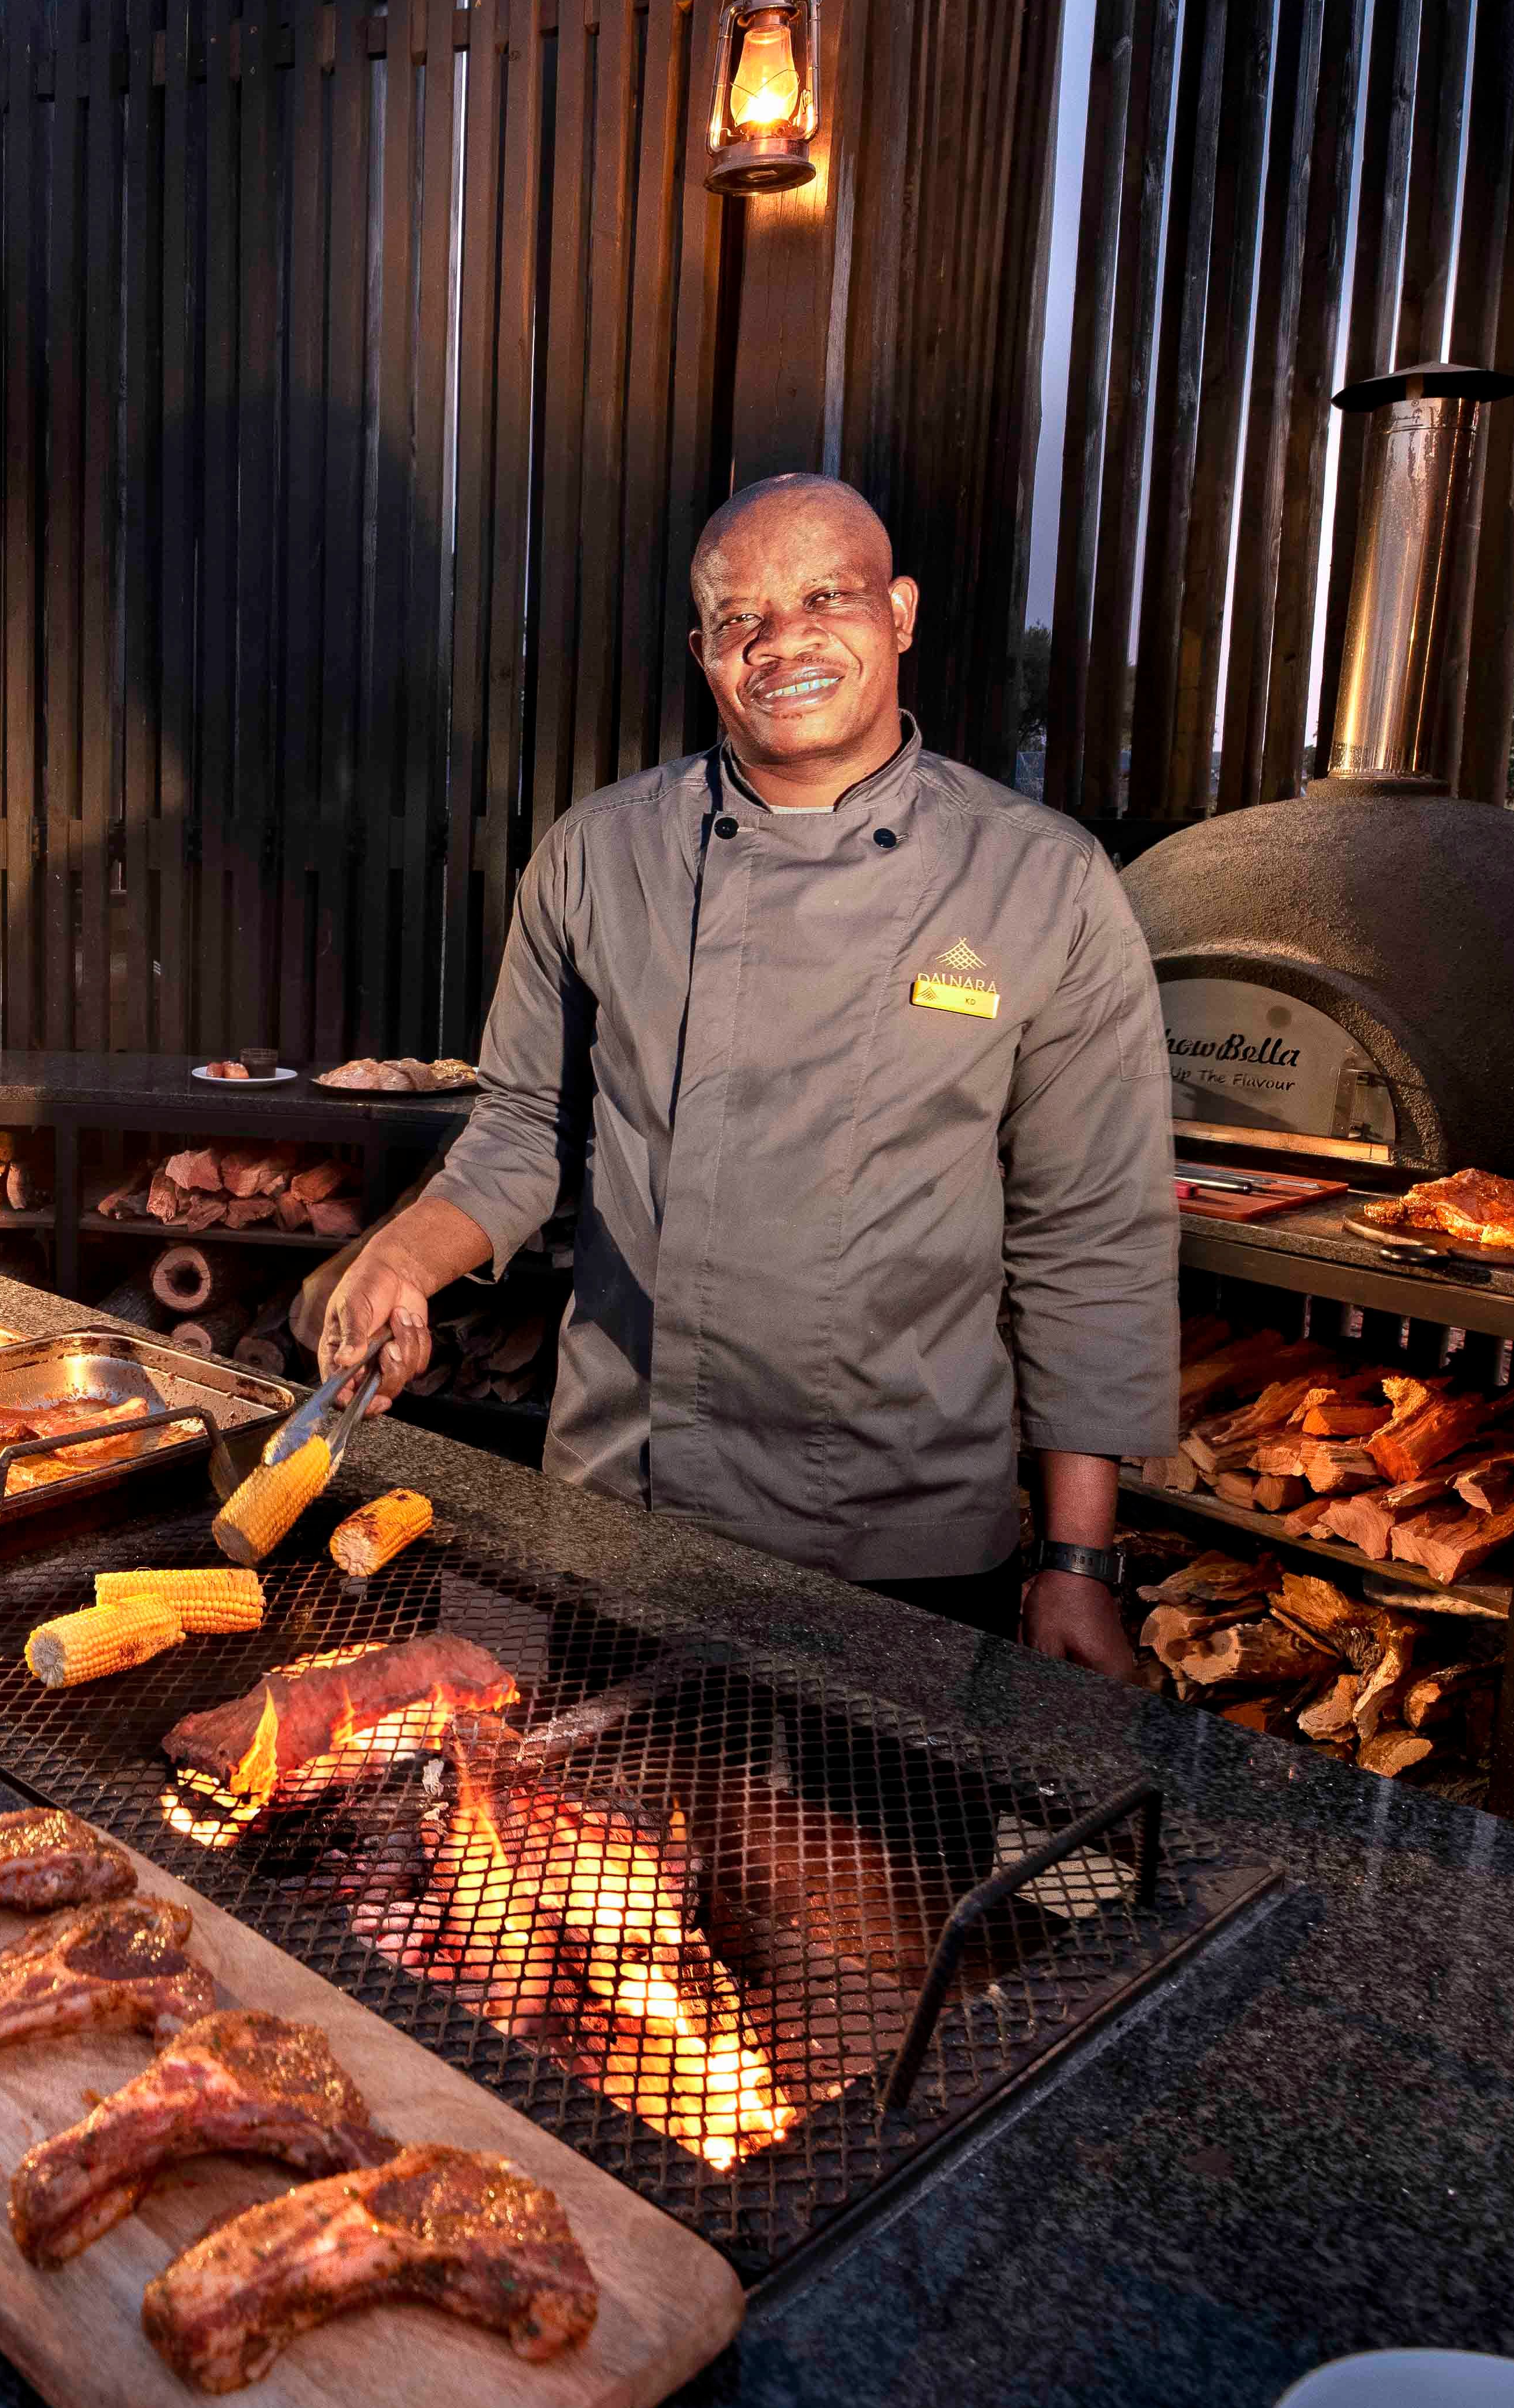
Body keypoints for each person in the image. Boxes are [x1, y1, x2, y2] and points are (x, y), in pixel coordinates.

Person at [316, 473, 1175, 1676]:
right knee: (611, 1850)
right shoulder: (599, 856)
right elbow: (523, 1125)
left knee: (874, 1871)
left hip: (910, 1530)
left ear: (903, 612)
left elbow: (1090, 1231)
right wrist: (405, 1253)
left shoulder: (1043, 882)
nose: (783, 642)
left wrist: (1079, 1562)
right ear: (704, 650)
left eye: (826, 595)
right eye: (740, 618)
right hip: (629, 1498)